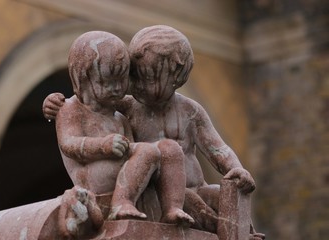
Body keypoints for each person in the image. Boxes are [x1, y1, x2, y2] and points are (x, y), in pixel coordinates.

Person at [44, 26, 264, 239]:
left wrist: (237, 169)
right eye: (134, 76)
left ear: (176, 78)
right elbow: (89, 103)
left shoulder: (190, 111)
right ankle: (199, 221)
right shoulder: (127, 105)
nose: (134, 85)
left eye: (147, 78)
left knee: (223, 195)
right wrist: (53, 102)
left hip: (197, 186)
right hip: (159, 190)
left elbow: (218, 148)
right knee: (190, 202)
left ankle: (246, 234)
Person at [55, 30, 193, 226]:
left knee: (169, 148)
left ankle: (172, 208)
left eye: (122, 80)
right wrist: (104, 145)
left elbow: (133, 150)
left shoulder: (119, 117)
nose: (117, 88)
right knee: (147, 151)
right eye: (107, 82)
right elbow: (68, 144)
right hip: (93, 175)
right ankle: (121, 203)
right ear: (82, 78)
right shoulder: (71, 108)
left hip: (120, 170)